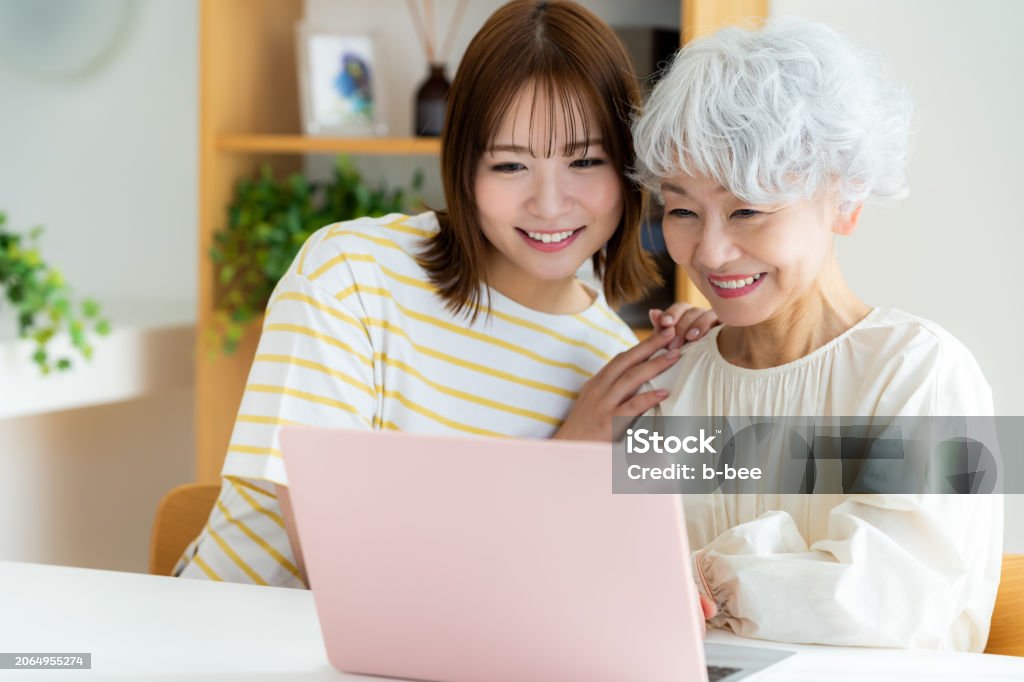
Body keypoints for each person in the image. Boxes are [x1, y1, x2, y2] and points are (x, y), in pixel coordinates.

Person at [174, 0, 716, 588]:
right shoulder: (352, 277)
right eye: (510, 166)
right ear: (463, 168)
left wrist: (710, 364)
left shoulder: (610, 361)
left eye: (585, 160)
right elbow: (342, 574)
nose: (551, 203)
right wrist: (564, 459)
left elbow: (560, 579)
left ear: (630, 171)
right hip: (233, 639)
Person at [612, 18, 1001, 651]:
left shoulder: (919, 373)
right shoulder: (669, 382)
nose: (709, 251)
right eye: (682, 209)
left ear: (845, 201)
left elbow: (892, 600)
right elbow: (616, 577)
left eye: (748, 210)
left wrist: (699, 579)